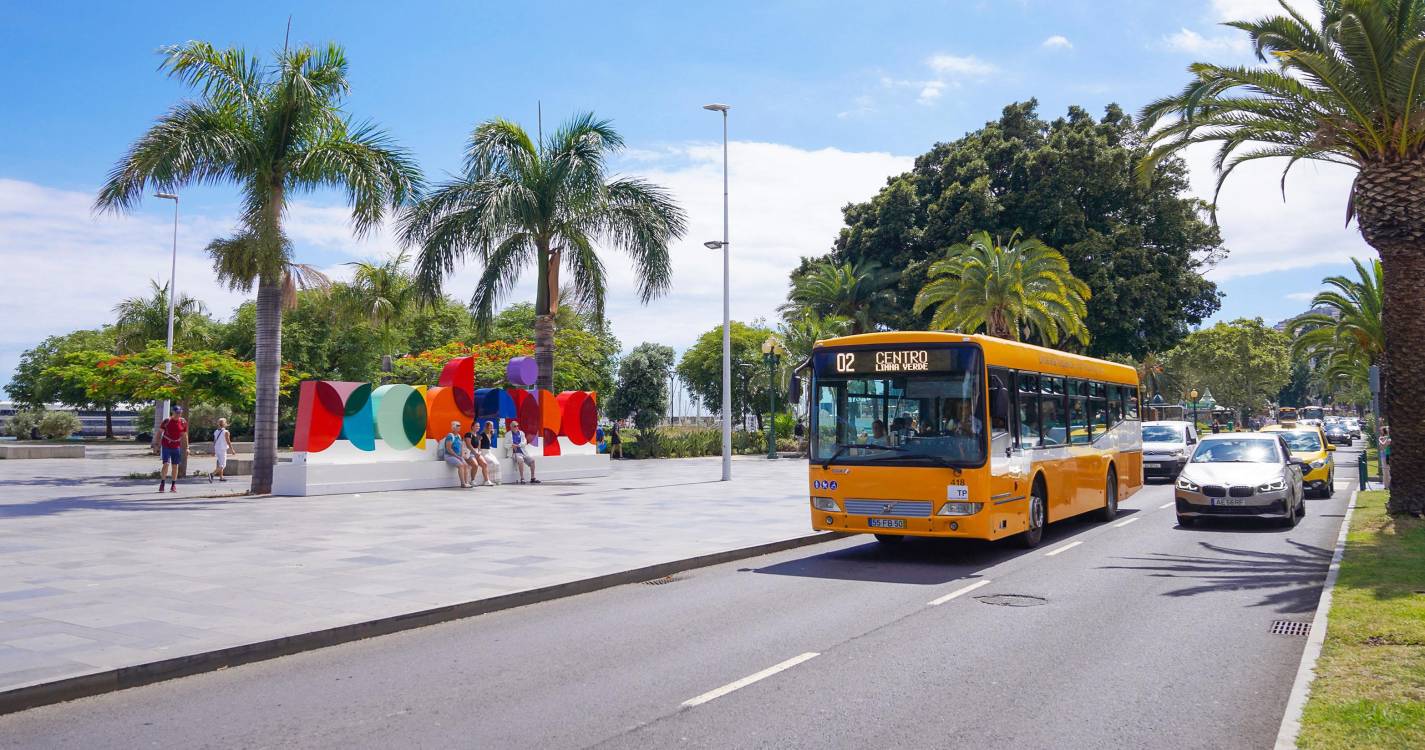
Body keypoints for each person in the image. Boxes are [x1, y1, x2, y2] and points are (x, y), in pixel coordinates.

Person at [158, 406, 188, 493]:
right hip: (166, 444)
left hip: (176, 446)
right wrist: (156, 444)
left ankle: (173, 485)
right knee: (166, 464)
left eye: (180, 412)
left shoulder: (183, 422)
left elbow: (184, 435)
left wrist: (187, 448)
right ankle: (162, 483)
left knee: (175, 466)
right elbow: (159, 432)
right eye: (177, 412)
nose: (179, 414)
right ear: (173, 412)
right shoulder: (167, 421)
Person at [508, 420, 540, 484]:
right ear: (511, 427)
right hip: (515, 453)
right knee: (520, 460)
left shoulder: (521, 433)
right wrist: (511, 445)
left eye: (517, 426)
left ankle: (533, 478)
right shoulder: (508, 434)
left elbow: (525, 442)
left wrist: (518, 445)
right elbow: (505, 445)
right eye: (515, 426)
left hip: (523, 452)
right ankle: (522, 478)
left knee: (532, 461)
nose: (517, 427)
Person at [442, 421, 472, 488]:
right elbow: (449, 449)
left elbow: (461, 447)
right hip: (449, 456)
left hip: (457, 456)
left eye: (459, 426)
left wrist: (461, 456)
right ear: (453, 427)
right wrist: (457, 456)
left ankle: (466, 482)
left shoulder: (458, 436)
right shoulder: (450, 436)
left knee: (466, 465)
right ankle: (463, 483)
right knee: (461, 465)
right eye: (458, 426)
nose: (459, 427)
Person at [211, 417, 236, 483]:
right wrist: (232, 450)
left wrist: (213, 451)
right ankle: (212, 474)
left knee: (220, 463)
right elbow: (228, 441)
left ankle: (221, 477)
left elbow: (214, 441)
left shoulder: (216, 431)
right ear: (225, 424)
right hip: (222, 449)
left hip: (217, 449)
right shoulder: (226, 432)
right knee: (223, 465)